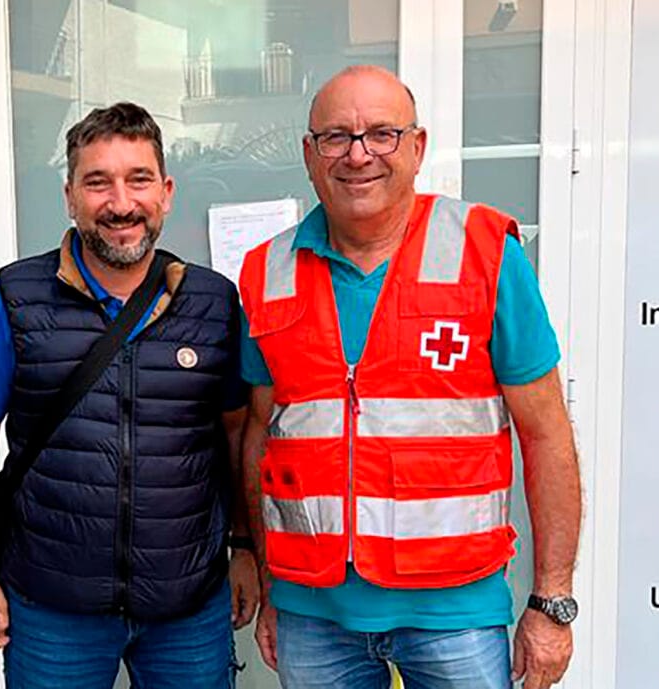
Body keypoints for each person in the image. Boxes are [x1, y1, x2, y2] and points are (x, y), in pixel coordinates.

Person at [237, 65, 581, 689]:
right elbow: (261, 437)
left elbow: (547, 434)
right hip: (312, 616)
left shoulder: (485, 251)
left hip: (456, 615)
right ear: (310, 156)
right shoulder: (266, 271)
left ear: (418, 147)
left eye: (382, 134)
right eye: (337, 136)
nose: (359, 154)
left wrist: (551, 602)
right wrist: (268, 583)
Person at [0, 102, 259, 689]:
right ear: (70, 195)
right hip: (51, 605)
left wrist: (245, 548)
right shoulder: (16, 299)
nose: (121, 203)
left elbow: (238, 435)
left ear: (166, 192)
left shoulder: (214, 303)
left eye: (138, 179)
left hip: (188, 605)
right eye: (98, 182)